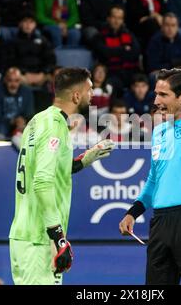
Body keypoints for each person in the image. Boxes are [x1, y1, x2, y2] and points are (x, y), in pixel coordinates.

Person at [119, 4, 181, 285]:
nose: (156, 100)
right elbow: (155, 179)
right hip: (160, 223)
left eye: (163, 94)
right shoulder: (160, 132)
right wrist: (134, 212)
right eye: (156, 93)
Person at [9, 67, 115, 285]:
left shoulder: (38, 121)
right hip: (38, 239)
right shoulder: (55, 126)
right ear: (76, 95)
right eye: (89, 90)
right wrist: (58, 238)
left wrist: (86, 159)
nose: (92, 95)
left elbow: (46, 169)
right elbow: (42, 181)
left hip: (27, 235)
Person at [92, 5, 140, 91]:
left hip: (130, 72)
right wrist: (123, 49)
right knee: (112, 84)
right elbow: (105, 53)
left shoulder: (129, 35)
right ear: (108, 18)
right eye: (114, 17)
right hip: (111, 73)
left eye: (120, 18)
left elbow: (135, 53)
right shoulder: (100, 36)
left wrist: (114, 52)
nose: (116, 21)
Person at [0, 67, 34, 136]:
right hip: (3, 123)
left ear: (20, 81)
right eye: (10, 80)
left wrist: (22, 120)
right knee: (0, 128)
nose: (13, 84)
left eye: (17, 81)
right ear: (5, 80)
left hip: (21, 122)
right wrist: (12, 121)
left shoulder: (27, 92)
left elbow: (29, 112)